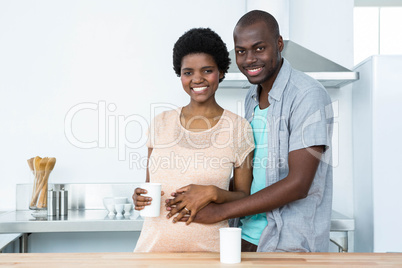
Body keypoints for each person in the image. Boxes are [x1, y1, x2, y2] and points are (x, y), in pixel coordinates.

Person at [166, 10, 334, 252]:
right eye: (241, 51)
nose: (249, 59)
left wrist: (220, 210)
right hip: (244, 236)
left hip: (288, 242)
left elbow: (298, 184)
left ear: (278, 44)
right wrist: (207, 193)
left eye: (259, 48)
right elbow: (253, 174)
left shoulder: (307, 94)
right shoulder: (251, 98)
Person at [132, 28, 255, 252]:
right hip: (152, 253)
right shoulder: (160, 122)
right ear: (180, 75)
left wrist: (213, 192)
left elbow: (244, 197)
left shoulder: (238, 128)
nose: (197, 79)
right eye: (188, 72)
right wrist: (139, 198)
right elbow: (152, 187)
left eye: (207, 70)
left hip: (212, 254)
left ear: (221, 71)